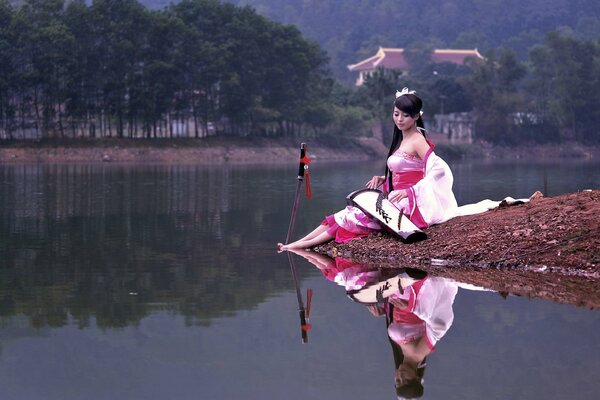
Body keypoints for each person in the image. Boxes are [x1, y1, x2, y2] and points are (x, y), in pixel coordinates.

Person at [278, 88, 457, 251]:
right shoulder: (403, 139)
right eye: (396, 114)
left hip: (409, 203)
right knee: (343, 214)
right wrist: (383, 178)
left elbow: (438, 170)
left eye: (406, 115)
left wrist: (410, 191)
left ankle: (299, 246)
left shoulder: (417, 140)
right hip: (397, 197)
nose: (399, 119)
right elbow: (408, 170)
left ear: (417, 116)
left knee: (353, 217)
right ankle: (299, 242)